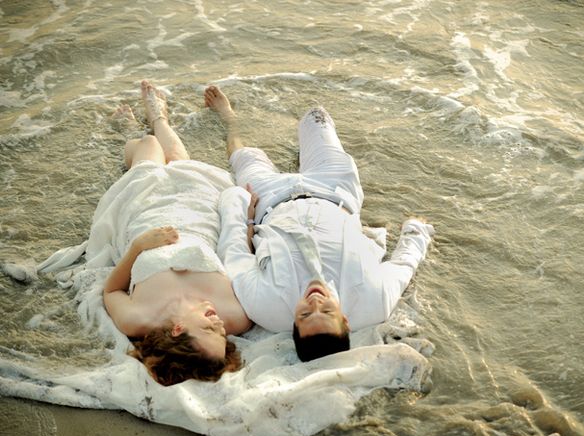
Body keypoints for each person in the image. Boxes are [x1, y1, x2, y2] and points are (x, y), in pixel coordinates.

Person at [207, 85, 434, 362]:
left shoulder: (264, 305)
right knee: (316, 115)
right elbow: (404, 264)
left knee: (241, 156)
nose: (315, 302)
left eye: (304, 314)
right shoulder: (374, 300)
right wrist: (417, 229)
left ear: (293, 323)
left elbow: (234, 252)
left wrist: (245, 209)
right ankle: (302, 145)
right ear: (346, 321)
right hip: (334, 189)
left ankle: (228, 116)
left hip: (268, 199)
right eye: (327, 312)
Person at [101, 80, 251, 386]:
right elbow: (241, 256)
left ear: (178, 329)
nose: (220, 324)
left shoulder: (139, 319)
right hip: (197, 216)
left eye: (211, 329)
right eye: (223, 334)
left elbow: (111, 291)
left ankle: (133, 128)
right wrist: (246, 220)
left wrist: (140, 247)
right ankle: (159, 117)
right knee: (181, 162)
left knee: (148, 147)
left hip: (148, 216)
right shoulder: (237, 316)